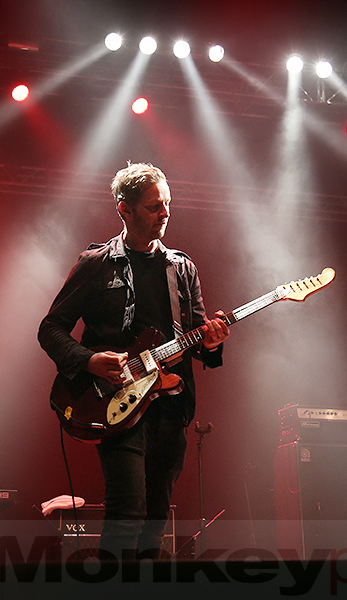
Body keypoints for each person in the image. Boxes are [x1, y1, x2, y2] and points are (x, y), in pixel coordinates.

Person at [38, 162, 229, 560]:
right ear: (124, 209)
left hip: (170, 404)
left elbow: (196, 337)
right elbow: (51, 328)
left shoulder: (182, 268)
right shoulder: (96, 264)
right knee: (127, 513)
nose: (165, 213)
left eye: (168, 204)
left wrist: (211, 343)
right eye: (154, 206)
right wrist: (89, 360)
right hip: (116, 404)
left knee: (156, 519)